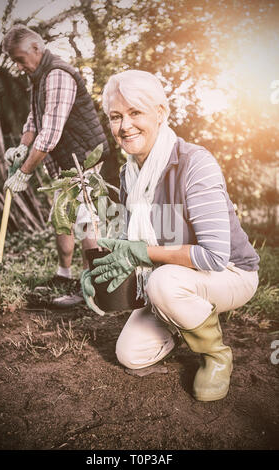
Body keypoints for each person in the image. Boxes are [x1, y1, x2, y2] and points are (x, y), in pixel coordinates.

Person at [81, 70, 260, 402]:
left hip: (230, 274)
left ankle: (216, 356)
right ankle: (181, 318)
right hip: (174, 277)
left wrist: (139, 253)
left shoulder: (195, 163)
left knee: (162, 284)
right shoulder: (128, 173)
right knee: (130, 355)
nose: (124, 126)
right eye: (116, 117)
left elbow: (213, 257)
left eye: (135, 112)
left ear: (160, 113)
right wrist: (98, 271)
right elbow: (126, 242)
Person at [1, 24, 110, 301]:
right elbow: (33, 120)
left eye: (20, 59)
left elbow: (50, 132)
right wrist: (21, 148)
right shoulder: (38, 77)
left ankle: (90, 287)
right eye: (14, 60)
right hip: (66, 161)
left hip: (83, 157)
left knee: (85, 220)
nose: (17, 66)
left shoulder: (58, 74)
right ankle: (64, 276)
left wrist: (24, 173)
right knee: (63, 217)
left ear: (36, 49)